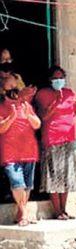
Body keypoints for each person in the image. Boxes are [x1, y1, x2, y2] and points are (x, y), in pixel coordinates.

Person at [34, 65, 76, 220]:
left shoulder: (69, 93)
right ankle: (57, 211)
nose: (58, 80)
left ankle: (64, 209)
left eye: (61, 77)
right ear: (50, 80)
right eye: (55, 78)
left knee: (67, 175)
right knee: (54, 175)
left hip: (69, 139)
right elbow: (43, 117)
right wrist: (55, 103)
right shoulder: (43, 94)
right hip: (52, 139)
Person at [0, 73, 40, 226]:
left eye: (16, 86)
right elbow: (1, 129)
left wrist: (29, 115)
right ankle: (24, 213)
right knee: (17, 182)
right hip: (10, 152)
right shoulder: (1, 106)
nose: (14, 89)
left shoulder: (26, 105)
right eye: (10, 86)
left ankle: (21, 212)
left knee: (27, 184)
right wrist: (11, 117)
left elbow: (37, 124)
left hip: (29, 151)